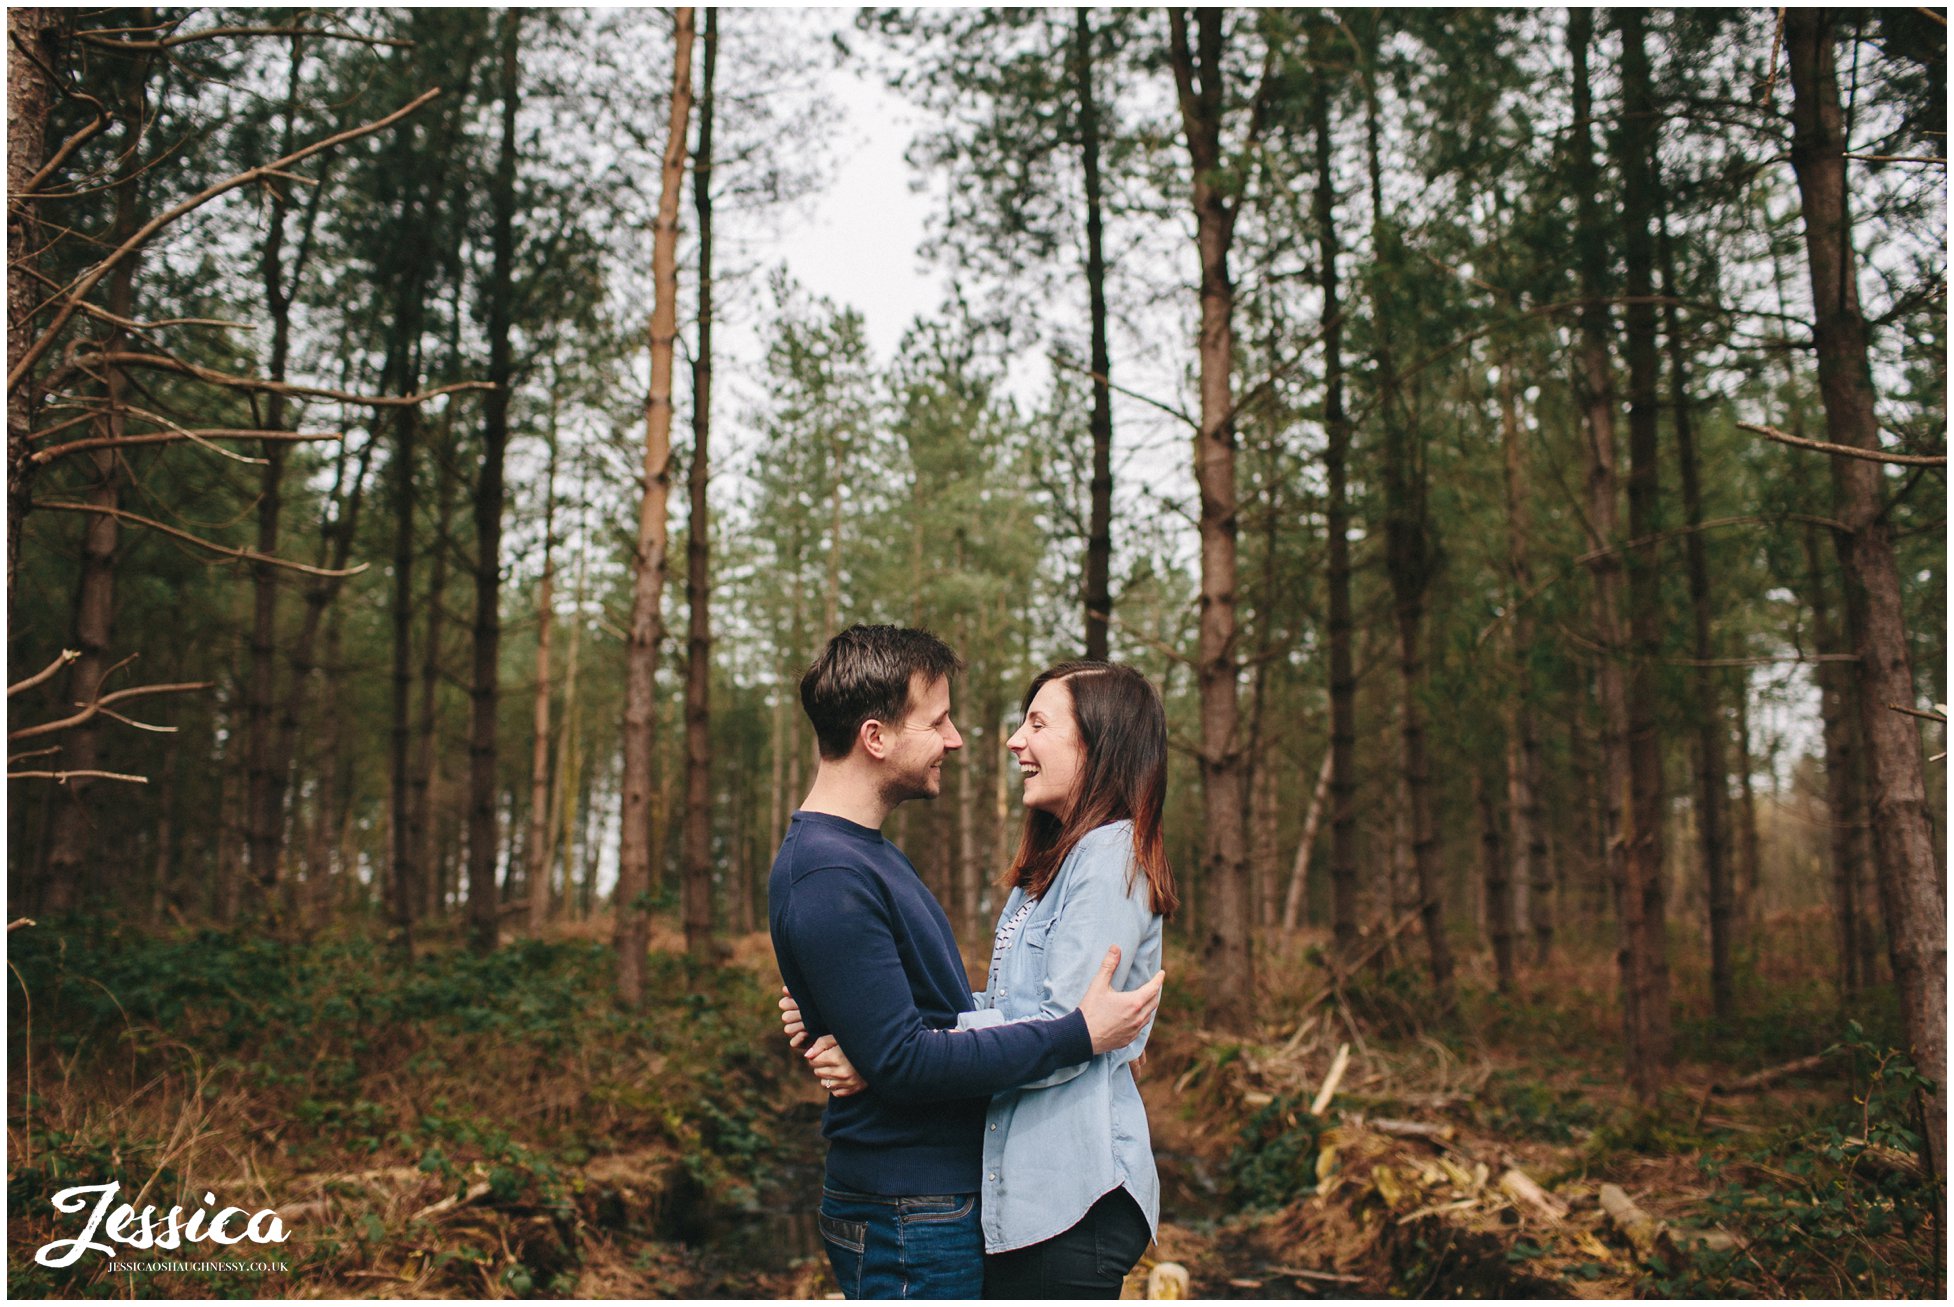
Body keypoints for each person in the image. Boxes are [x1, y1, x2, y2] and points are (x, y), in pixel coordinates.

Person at [768, 627, 1164, 1301]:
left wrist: (881, 1046)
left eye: (1037, 723)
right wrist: (885, 1048)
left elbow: (957, 1024)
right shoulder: (832, 871)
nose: (961, 738)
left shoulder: (870, 857)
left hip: (991, 1197)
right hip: (911, 1204)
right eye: (939, 720)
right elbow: (1021, 1027)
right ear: (876, 737)